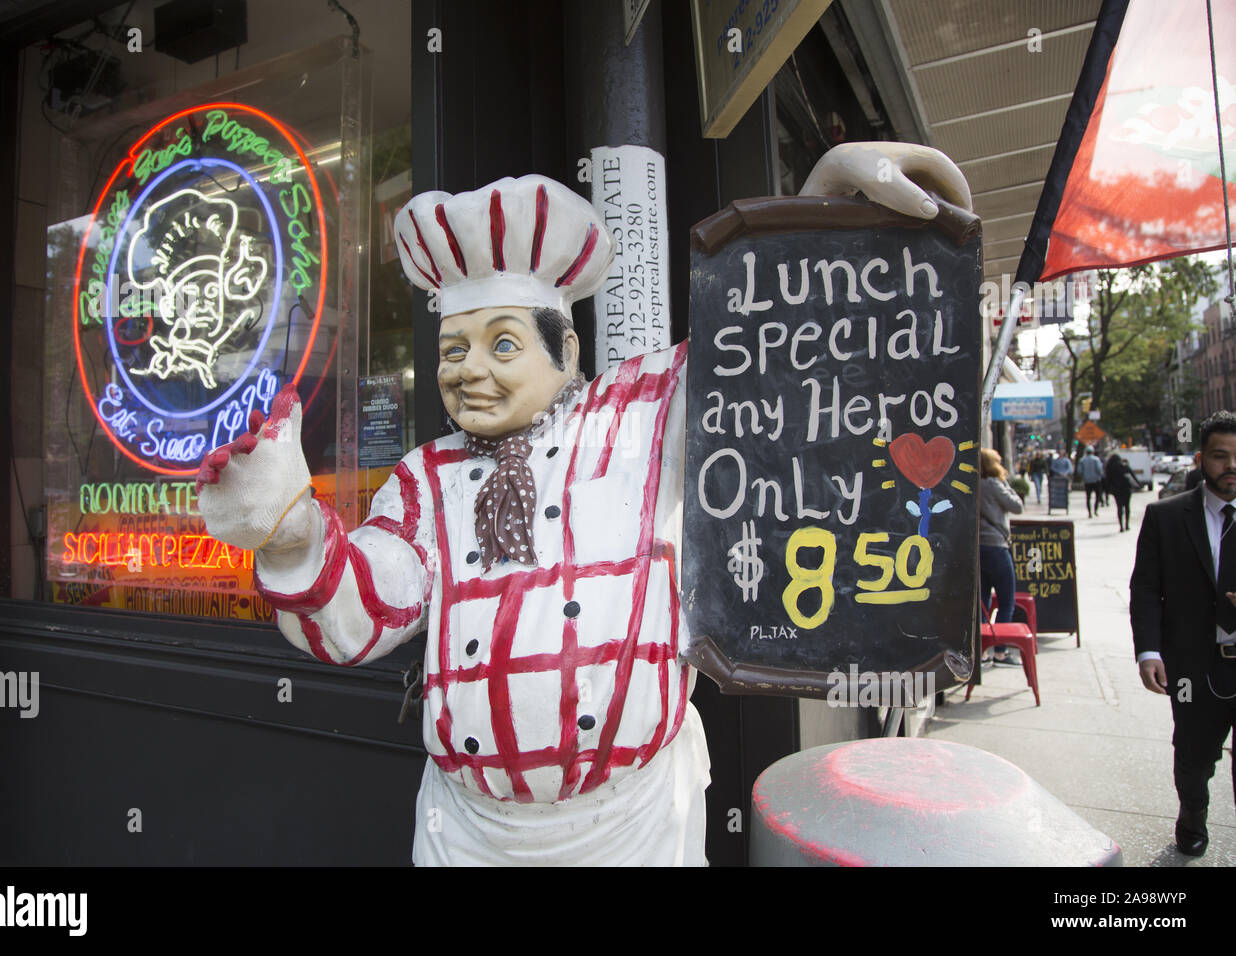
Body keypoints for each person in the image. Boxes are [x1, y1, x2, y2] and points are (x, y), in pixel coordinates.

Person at [193, 146, 972, 865]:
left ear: (566, 350)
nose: (470, 372)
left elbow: (767, 349)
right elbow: (368, 614)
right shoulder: (426, 478)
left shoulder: (645, 410)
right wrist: (294, 536)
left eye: (502, 345)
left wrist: (824, 211)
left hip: (631, 827)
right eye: (453, 350)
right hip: (468, 834)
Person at [1130, 411, 1236, 857]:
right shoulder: (1165, 517)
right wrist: (1149, 651)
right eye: (1220, 456)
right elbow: (1146, 590)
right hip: (1193, 663)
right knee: (1194, 756)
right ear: (1200, 458)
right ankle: (1192, 815)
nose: (1231, 466)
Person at [979, 448, 1024, 665]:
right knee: (1007, 601)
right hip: (997, 546)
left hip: (979, 547)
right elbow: (1017, 507)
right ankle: (1000, 651)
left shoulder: (974, 484)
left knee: (983, 602)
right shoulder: (995, 485)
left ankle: (981, 650)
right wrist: (1004, 482)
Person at [1104, 452, 1145, 531]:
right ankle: (1127, 524)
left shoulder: (1110, 468)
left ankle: (1121, 526)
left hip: (1116, 490)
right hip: (1126, 489)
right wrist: (1139, 485)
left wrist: (1108, 491)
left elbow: (1107, 481)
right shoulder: (1125, 466)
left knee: (1119, 507)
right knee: (1127, 506)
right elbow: (1133, 476)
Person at [1077, 449, 1104, 518]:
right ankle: (1095, 510)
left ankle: (1089, 512)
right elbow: (1099, 469)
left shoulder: (1082, 460)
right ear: (1092, 452)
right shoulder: (1096, 459)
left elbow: (1079, 471)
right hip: (1096, 480)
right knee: (1098, 495)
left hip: (1087, 481)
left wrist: (1084, 476)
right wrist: (1100, 475)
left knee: (1088, 497)